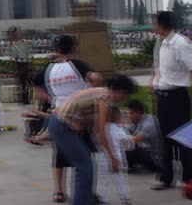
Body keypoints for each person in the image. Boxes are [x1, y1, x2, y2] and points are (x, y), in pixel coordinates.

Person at [30, 35, 103, 203]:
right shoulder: (78, 64)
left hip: (58, 114)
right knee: (85, 159)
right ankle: (85, 195)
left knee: (62, 156)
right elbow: (97, 78)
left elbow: (33, 82)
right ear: (74, 48)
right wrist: (88, 93)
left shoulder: (49, 68)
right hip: (78, 115)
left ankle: (62, 191)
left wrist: (48, 98)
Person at [48, 75, 137, 205]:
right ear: (120, 91)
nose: (124, 99)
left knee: (85, 165)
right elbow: (102, 132)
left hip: (62, 125)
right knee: (84, 167)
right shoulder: (105, 99)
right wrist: (112, 157)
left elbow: (96, 130)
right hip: (62, 126)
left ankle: (84, 199)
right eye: (125, 95)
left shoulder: (102, 93)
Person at [151, 11, 192, 190]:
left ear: (163, 25)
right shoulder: (163, 43)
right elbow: (162, 69)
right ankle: (167, 178)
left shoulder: (180, 44)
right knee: (165, 138)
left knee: (183, 138)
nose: (154, 27)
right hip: (163, 97)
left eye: (155, 23)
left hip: (178, 97)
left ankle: (188, 177)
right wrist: (155, 86)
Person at [97, 107, 135, 205]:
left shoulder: (103, 128)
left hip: (102, 158)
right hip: (116, 158)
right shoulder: (118, 129)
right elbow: (126, 142)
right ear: (118, 118)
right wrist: (130, 139)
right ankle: (125, 199)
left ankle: (104, 199)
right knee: (120, 180)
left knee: (104, 181)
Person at [125, 100, 163, 174]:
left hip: (155, 159)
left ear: (138, 113)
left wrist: (118, 138)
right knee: (125, 146)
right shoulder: (137, 121)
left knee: (130, 148)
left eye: (131, 113)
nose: (129, 116)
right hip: (145, 153)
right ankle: (127, 163)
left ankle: (124, 163)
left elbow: (135, 140)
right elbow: (126, 129)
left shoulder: (149, 123)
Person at [9, 26, 33, 105]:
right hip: (19, 64)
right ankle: (24, 99)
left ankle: (26, 100)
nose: (14, 35)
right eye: (13, 34)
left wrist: (30, 64)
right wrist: (14, 68)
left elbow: (30, 54)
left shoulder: (26, 42)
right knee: (21, 83)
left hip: (25, 64)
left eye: (15, 33)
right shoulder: (13, 44)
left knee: (25, 83)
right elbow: (13, 57)